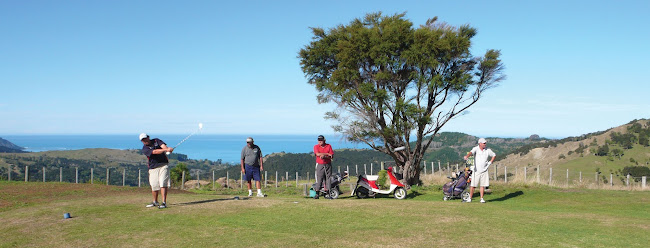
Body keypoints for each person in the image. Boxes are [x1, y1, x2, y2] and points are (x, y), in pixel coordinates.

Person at [139, 133, 173, 209]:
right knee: (154, 185)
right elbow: (155, 152)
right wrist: (166, 150)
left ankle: (164, 202)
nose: (145, 141)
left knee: (163, 183)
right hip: (153, 167)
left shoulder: (156, 140)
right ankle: (155, 201)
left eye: (145, 139)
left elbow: (163, 145)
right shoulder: (145, 149)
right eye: (143, 140)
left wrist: (167, 149)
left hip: (163, 165)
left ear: (148, 137)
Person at [463, 138, 496, 203]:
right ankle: (470, 198)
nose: (485, 144)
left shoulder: (488, 150)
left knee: (482, 185)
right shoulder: (476, 148)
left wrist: (490, 162)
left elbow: (494, 155)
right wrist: (467, 156)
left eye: (485, 143)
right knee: (473, 185)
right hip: (476, 170)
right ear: (480, 143)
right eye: (483, 143)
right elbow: (471, 152)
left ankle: (481, 198)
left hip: (484, 170)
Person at [313, 135, 334, 199]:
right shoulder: (316, 146)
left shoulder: (328, 146)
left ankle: (327, 193)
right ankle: (317, 194)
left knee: (328, 179)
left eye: (321, 140)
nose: (320, 141)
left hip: (328, 164)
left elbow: (331, 156)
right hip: (320, 164)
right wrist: (327, 154)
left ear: (324, 140)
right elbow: (317, 154)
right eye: (319, 140)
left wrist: (324, 155)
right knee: (319, 179)